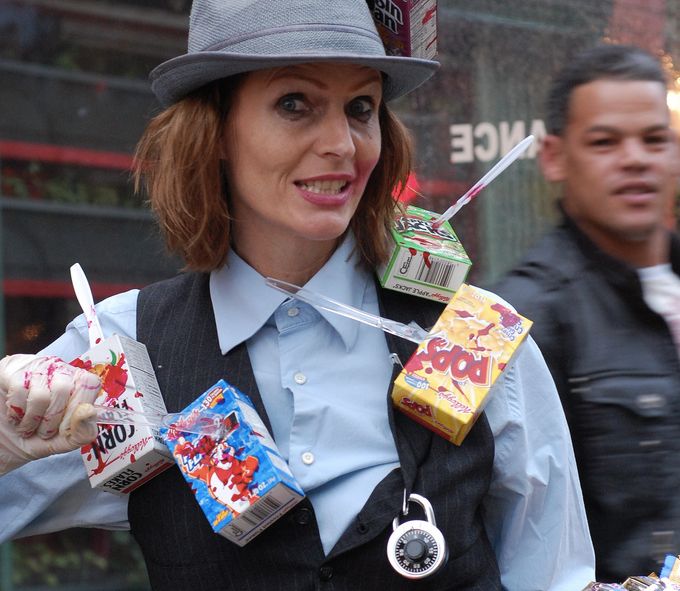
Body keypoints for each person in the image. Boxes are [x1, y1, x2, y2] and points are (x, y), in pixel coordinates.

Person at [0, 1, 595, 589]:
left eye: (360, 107)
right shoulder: (121, 345)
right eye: (295, 104)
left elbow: (555, 574)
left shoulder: (478, 338)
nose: (342, 143)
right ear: (217, 131)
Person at [492, 44, 680, 583]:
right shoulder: (524, 320)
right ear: (554, 156)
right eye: (604, 142)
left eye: (653, 139)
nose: (635, 159)